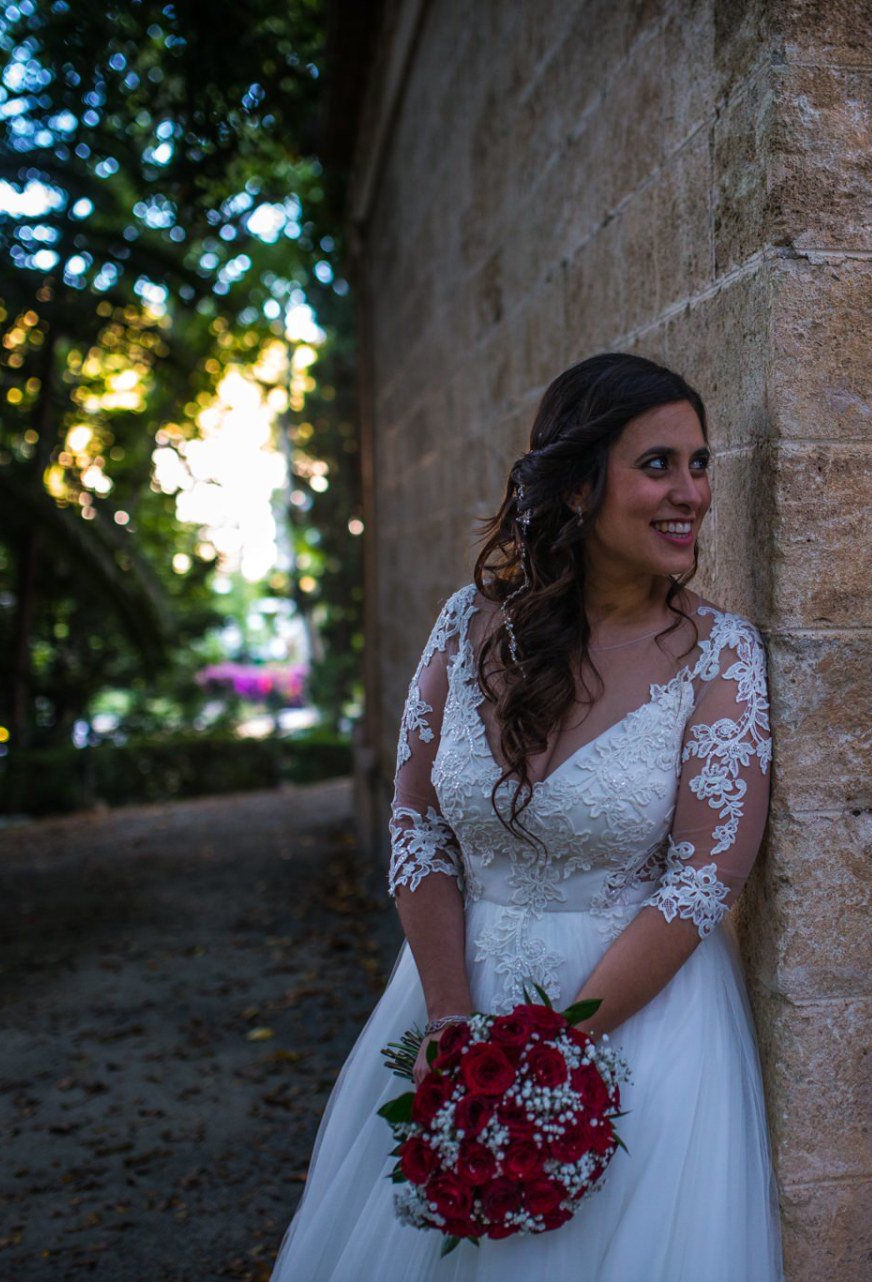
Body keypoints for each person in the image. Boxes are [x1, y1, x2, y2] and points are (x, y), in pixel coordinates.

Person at [270, 352, 784, 1281]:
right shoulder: (467, 624)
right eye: (658, 465)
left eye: (699, 464)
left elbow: (705, 878)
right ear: (579, 487)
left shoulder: (721, 655)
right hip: (454, 996)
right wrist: (452, 1021)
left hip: (639, 1026)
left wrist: (551, 1049)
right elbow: (417, 825)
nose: (692, 494)